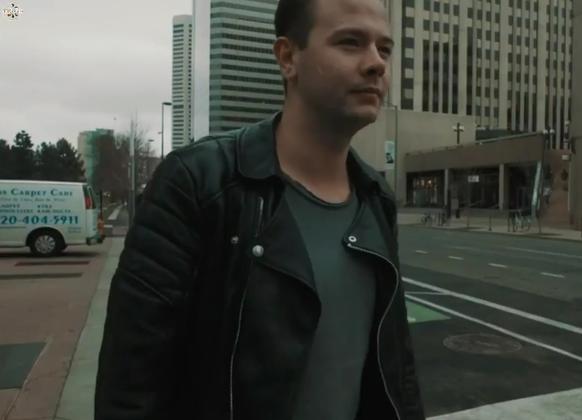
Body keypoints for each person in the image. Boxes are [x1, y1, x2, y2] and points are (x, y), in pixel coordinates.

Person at [94, 0, 425, 418]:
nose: (376, 63)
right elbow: (131, 383)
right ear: (287, 57)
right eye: (350, 42)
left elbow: (398, 367)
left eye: (385, 49)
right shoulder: (198, 183)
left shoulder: (376, 198)